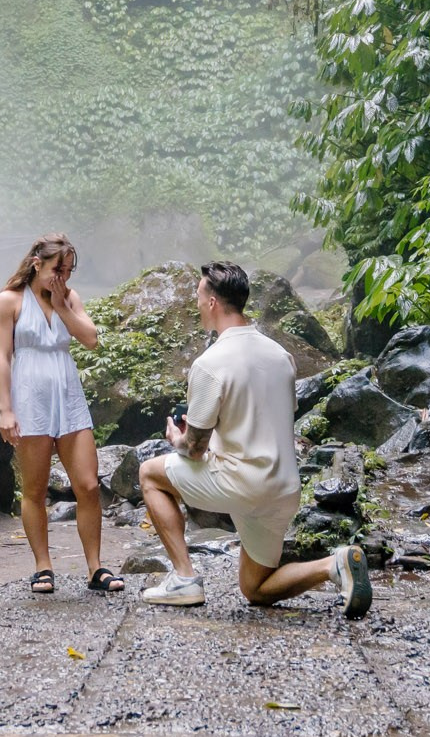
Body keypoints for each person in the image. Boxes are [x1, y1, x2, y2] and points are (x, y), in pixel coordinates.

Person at [137, 261, 371, 617]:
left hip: (242, 483)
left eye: (198, 297)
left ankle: (184, 578)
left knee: (150, 475)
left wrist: (176, 438)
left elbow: (195, 450)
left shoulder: (209, 364)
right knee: (255, 588)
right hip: (283, 488)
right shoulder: (281, 355)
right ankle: (333, 565)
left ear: (212, 302)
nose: (196, 304)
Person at [0, 233, 123, 595]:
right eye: (56, 270)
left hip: (69, 398)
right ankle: (43, 567)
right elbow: (2, 358)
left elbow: (91, 340)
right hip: (30, 400)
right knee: (35, 490)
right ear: (38, 264)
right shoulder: (9, 301)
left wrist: (62, 304)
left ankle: (95, 568)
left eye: (67, 271)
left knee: (89, 485)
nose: (62, 277)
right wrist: (5, 410)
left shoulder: (69, 298)